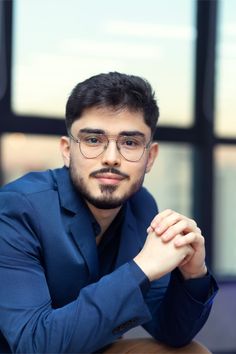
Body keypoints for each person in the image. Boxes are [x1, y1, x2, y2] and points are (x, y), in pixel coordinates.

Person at [0, 72, 218, 354]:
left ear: (149, 157)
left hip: (87, 348)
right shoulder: (17, 208)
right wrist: (140, 269)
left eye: (129, 143)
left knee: (191, 352)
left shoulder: (141, 206)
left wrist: (193, 274)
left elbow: (173, 332)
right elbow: (33, 344)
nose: (111, 157)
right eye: (93, 140)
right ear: (67, 150)